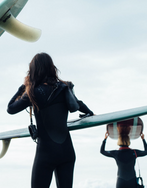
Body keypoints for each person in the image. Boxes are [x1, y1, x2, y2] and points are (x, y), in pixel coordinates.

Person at [7, 53, 94, 188]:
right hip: (67, 152)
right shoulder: (64, 88)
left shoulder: (32, 92)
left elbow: (10, 108)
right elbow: (79, 105)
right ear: (52, 68)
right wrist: (89, 112)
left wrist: (23, 87)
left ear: (33, 70)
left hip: (46, 154)